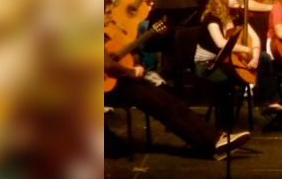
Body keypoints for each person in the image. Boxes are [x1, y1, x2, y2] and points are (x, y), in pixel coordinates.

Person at [105, 50, 250, 160]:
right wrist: (131, 72)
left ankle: (214, 137)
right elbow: (107, 65)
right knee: (162, 106)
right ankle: (210, 144)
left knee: (170, 102)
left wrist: (134, 64)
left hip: (117, 81)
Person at [193, 0, 264, 130]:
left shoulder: (236, 15)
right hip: (207, 64)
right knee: (225, 83)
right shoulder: (211, 18)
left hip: (227, 60)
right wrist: (246, 50)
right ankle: (223, 130)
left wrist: (255, 56)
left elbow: (255, 37)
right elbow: (220, 43)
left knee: (265, 60)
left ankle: (270, 104)